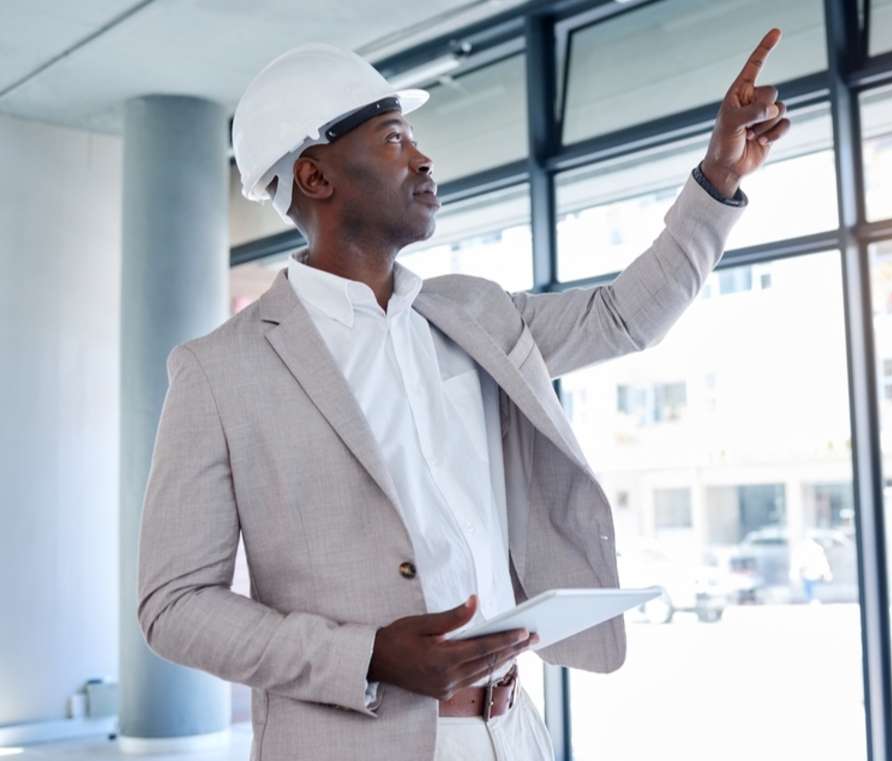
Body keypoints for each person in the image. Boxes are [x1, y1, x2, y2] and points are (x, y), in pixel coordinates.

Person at [137, 28, 790, 761]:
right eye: (392, 140)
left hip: (511, 731)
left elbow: (622, 316)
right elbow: (174, 605)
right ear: (316, 178)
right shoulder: (221, 370)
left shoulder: (473, 314)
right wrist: (368, 654)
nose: (422, 157)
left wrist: (717, 181)